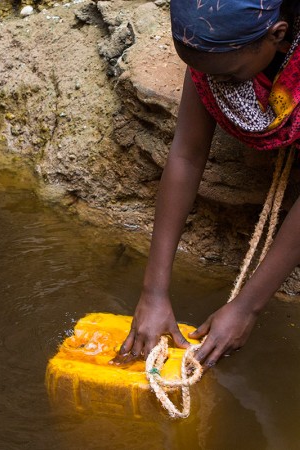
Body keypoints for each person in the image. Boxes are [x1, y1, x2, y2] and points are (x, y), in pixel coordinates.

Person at [116, 0, 300, 368]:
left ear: (278, 36)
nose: (216, 86)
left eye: (230, 78)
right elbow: (186, 154)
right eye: (202, 72)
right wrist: (153, 293)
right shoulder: (215, 48)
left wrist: (247, 307)